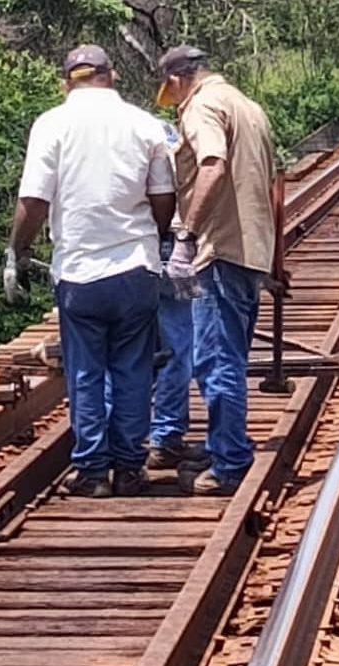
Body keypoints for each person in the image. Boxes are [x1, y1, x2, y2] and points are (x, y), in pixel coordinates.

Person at [4, 44, 176, 498]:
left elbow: (34, 202)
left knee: (86, 372)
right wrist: (154, 237)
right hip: (136, 269)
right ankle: (130, 467)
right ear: (111, 75)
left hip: (79, 272)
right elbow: (164, 198)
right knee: (134, 370)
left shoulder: (52, 125)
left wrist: (15, 252)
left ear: (67, 82)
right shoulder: (145, 124)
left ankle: (94, 473)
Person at [154, 45, 276, 496]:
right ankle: (226, 442)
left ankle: (229, 463)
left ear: (177, 81)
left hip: (219, 250)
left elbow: (212, 164)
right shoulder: (247, 106)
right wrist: (275, 260)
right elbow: (271, 184)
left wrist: (185, 236)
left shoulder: (201, 105)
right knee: (230, 358)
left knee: (214, 360)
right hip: (250, 252)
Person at [146, 121, 199, 469]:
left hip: (131, 256)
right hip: (171, 251)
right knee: (177, 348)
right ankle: (164, 437)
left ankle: (114, 439)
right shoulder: (173, 142)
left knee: (121, 349)